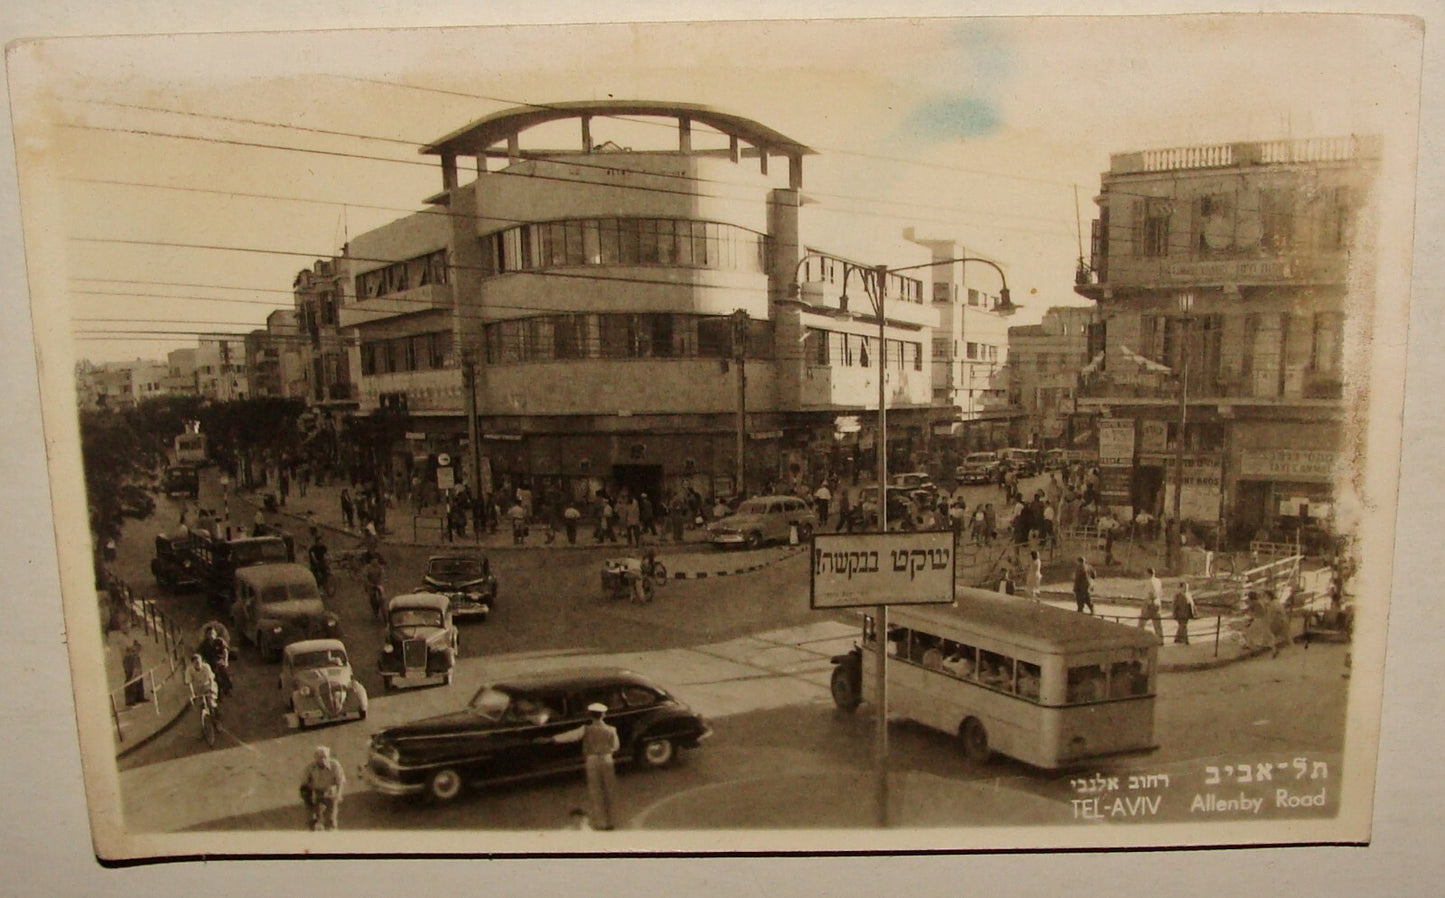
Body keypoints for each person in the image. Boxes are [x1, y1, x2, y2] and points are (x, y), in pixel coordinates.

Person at [550, 703, 621, 830]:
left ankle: (601, 823)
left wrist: (553, 739)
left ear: (590, 715)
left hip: (592, 759)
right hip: (606, 759)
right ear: (604, 715)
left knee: (595, 791)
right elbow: (615, 746)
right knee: (609, 790)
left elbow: (570, 736)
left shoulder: (585, 729)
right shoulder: (611, 729)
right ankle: (612, 821)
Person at [300, 745, 346, 831]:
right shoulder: (310, 767)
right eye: (320, 757)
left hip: (330, 791)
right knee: (311, 816)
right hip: (315, 791)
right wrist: (308, 796)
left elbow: (340, 781)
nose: (323, 760)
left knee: (331, 818)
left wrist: (339, 794)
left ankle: (331, 828)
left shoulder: (335, 765)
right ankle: (312, 826)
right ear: (315, 757)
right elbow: (304, 783)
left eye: (325, 757)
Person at [197, 626, 232, 698]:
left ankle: (227, 688)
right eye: (209, 634)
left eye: (212, 633)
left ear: (215, 634)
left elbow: (225, 651)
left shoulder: (219, 641)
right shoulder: (204, 645)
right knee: (213, 677)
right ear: (206, 635)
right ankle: (217, 693)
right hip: (210, 663)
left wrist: (225, 661)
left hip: (219, 661)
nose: (211, 635)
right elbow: (200, 654)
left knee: (224, 673)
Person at [184, 652, 217, 719]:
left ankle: (216, 716)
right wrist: (192, 693)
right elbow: (189, 683)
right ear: (192, 663)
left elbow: (210, 679)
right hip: (198, 688)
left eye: (199, 662)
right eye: (196, 663)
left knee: (211, 702)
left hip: (208, 685)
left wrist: (211, 689)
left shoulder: (206, 667)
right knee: (201, 705)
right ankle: (203, 722)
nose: (198, 664)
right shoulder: (189, 670)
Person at [1139, 567, 1165, 641]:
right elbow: (1160, 592)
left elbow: (1150, 593)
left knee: (1142, 622)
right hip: (1157, 603)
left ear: (1148, 573)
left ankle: (1139, 638)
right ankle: (1160, 639)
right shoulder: (1158, 581)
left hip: (1149, 603)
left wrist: (1147, 602)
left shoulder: (1149, 582)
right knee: (1157, 623)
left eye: (1145, 573)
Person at [122, 639, 146, 705]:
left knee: (139, 678)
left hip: (135, 660)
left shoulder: (136, 655)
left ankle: (139, 697)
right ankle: (130, 700)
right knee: (131, 679)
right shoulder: (129, 655)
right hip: (130, 660)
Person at [1172, 580, 1196, 645]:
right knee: (1183, 626)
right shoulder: (1178, 595)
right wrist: (1174, 614)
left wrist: (1194, 612)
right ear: (1181, 588)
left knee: (1182, 626)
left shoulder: (1188, 594)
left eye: (1187, 587)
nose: (1186, 588)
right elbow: (1174, 605)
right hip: (1180, 613)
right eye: (1185, 587)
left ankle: (1177, 638)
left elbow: (1192, 604)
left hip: (1187, 613)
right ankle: (1186, 640)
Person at [308, 531, 331, 596]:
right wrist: (315, 560)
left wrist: (329, 557)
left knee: (325, 573)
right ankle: (318, 588)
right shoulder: (312, 549)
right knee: (317, 576)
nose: (320, 542)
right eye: (319, 541)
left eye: (321, 541)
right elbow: (313, 556)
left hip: (322, 563)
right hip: (315, 565)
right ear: (316, 542)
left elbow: (327, 553)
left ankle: (325, 585)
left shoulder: (323, 547)